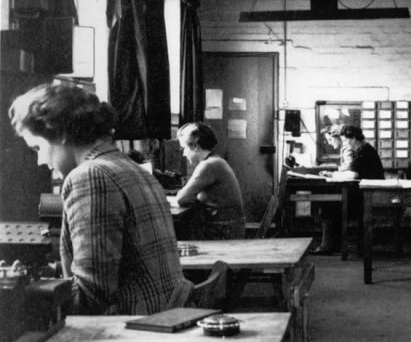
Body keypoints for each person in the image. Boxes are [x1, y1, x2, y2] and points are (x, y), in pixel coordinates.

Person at [9, 83, 190, 315]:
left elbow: (91, 298)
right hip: (159, 318)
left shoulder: (90, 176)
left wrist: (20, 295)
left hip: (129, 332)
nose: (40, 161)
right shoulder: (130, 168)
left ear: (61, 133)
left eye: (37, 148)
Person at [312, 125, 385, 255]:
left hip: (368, 197)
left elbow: (353, 175)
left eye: (346, 140)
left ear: (354, 139)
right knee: (331, 204)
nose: (344, 144)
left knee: (328, 206)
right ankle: (333, 245)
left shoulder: (364, 151)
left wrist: (333, 175)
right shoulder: (363, 149)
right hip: (365, 194)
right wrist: (332, 175)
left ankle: (329, 246)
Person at [176, 122, 246, 239]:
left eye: (184, 148)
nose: (184, 154)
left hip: (224, 231)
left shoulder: (209, 165)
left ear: (196, 146)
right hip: (228, 227)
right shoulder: (216, 161)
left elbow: (181, 199)